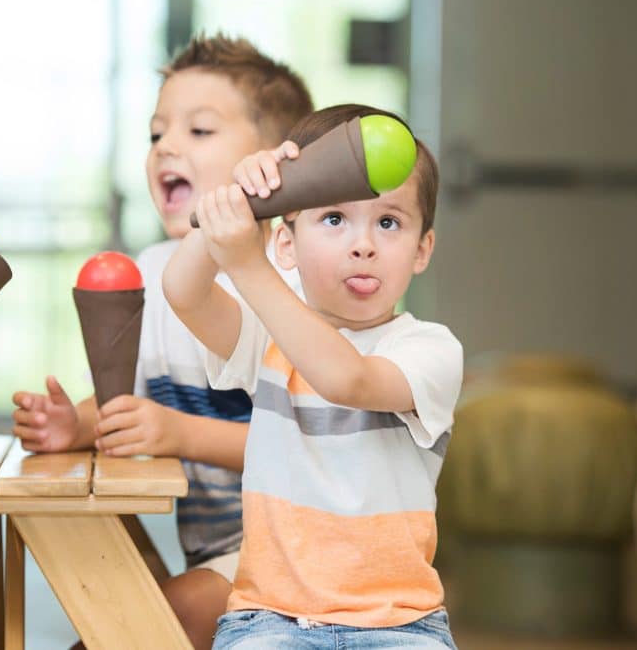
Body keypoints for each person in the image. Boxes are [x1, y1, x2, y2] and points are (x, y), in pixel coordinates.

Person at [11, 33, 312, 649]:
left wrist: (179, 434)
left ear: (275, 164)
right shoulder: (150, 272)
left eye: (200, 131)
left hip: (303, 563)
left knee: (140, 625)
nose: (166, 146)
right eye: (156, 133)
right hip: (220, 555)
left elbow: (311, 443)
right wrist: (80, 426)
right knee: (114, 602)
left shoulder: (297, 282)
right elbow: (140, 402)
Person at [162, 104, 462, 649]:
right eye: (333, 219)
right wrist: (240, 202)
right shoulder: (265, 335)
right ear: (286, 243)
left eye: (388, 222)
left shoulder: (430, 351)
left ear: (422, 250)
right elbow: (184, 292)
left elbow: (348, 380)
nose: (363, 244)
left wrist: (249, 266)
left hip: (400, 624)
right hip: (269, 620)